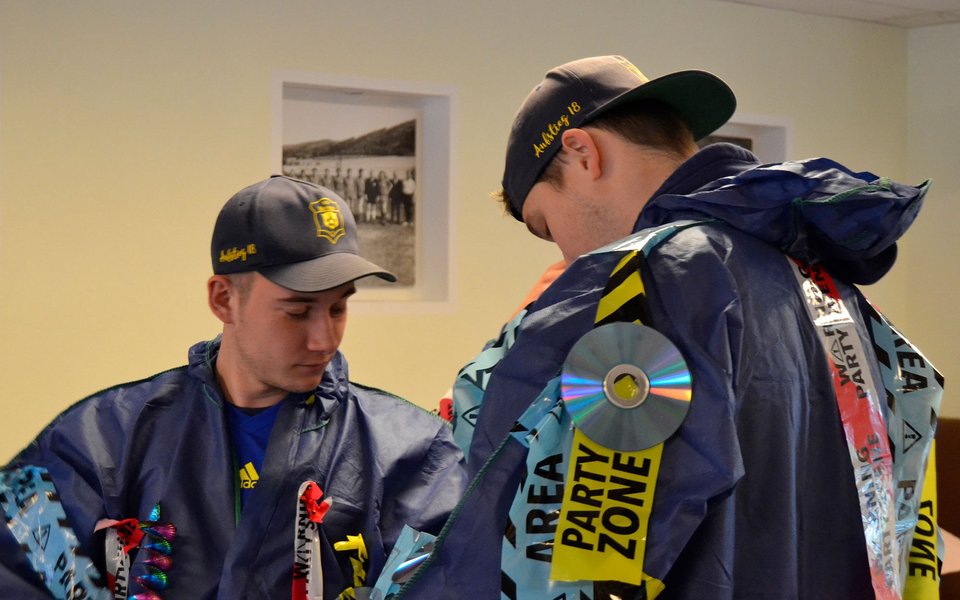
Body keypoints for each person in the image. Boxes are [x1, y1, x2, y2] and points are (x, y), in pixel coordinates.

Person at [399, 56, 943, 599]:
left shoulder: (650, 281)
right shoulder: (827, 286)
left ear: (583, 153)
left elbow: (570, 546)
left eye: (547, 224)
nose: (563, 256)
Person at [0, 175, 467, 599]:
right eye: (298, 311)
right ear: (224, 299)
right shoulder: (101, 443)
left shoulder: (412, 454)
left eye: (338, 308)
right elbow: (18, 565)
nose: (324, 339)